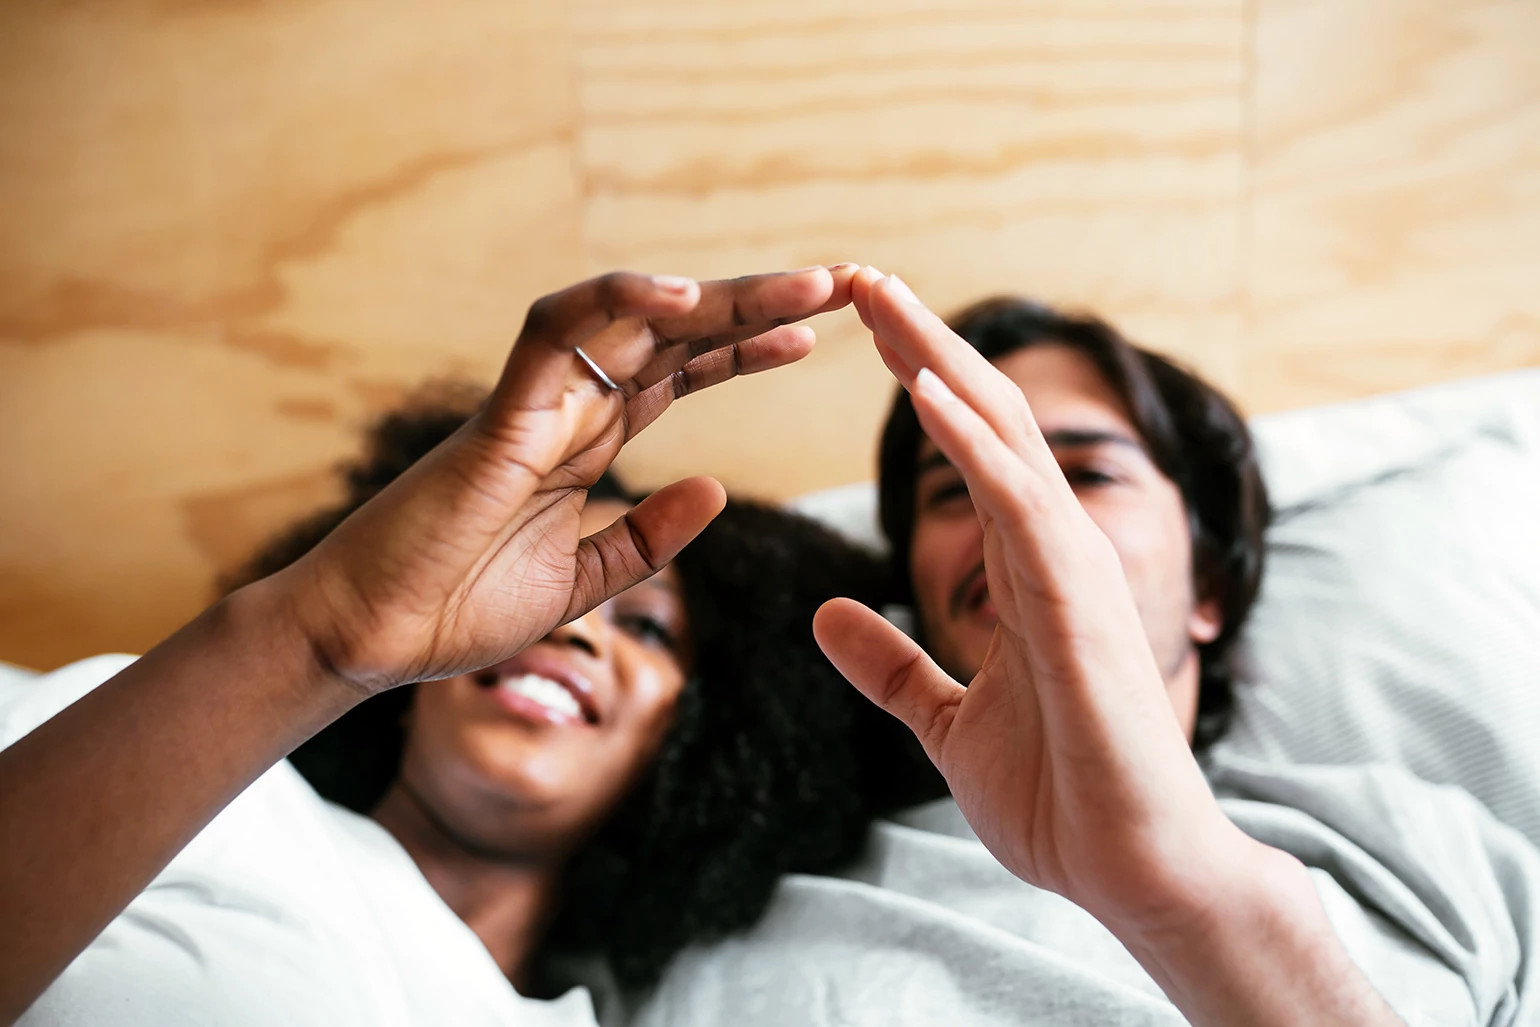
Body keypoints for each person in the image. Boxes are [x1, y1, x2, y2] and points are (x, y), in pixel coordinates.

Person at [611, 270, 1540, 1026]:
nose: (1015, 511)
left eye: (1084, 472)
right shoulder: (731, 895)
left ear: (1211, 589)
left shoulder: (1434, 854)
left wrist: (1195, 905)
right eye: (954, 487)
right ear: (918, 594)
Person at [0, 265, 871, 1024]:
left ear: (704, 742)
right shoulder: (178, 766)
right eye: (532, 586)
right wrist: (322, 641)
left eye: (644, 627)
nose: (567, 628)